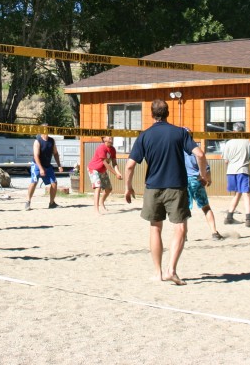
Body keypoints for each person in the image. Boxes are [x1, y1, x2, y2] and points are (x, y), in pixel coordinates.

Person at [124, 99, 208, 285]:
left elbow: (129, 166)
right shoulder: (180, 133)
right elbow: (200, 154)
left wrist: (128, 187)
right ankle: (172, 269)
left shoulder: (144, 136)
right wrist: (203, 176)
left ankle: (158, 272)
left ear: (152, 114)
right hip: (176, 187)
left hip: (153, 187)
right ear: (168, 112)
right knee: (180, 227)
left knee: (155, 227)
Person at [183, 128, 224, 240]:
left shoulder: (178, 150)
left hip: (183, 182)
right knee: (206, 207)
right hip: (196, 180)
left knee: (184, 209)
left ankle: (184, 235)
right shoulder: (196, 150)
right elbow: (206, 168)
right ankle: (214, 232)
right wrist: (208, 179)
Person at [221, 122, 250, 227]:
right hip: (243, 170)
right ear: (243, 131)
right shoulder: (247, 142)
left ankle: (229, 217)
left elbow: (226, 161)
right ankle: (248, 219)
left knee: (237, 193)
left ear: (233, 131)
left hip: (231, 171)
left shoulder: (229, 143)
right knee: (246, 194)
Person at [25, 127, 63, 210]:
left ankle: (52, 203)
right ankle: (28, 202)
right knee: (34, 182)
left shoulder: (51, 141)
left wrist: (59, 165)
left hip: (47, 165)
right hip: (36, 165)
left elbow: (55, 153)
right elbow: (36, 156)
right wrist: (41, 168)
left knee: (54, 183)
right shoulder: (37, 141)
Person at [87, 136, 122, 215]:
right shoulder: (101, 148)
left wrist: (118, 172)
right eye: (108, 137)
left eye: (111, 137)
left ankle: (101, 202)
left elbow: (114, 163)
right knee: (98, 187)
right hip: (93, 169)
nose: (111, 138)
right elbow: (106, 164)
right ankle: (96, 210)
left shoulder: (112, 149)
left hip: (102, 170)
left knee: (109, 189)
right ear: (104, 139)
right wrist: (115, 174)